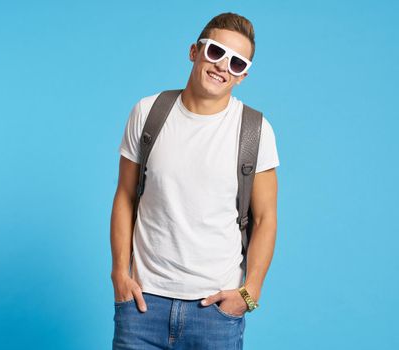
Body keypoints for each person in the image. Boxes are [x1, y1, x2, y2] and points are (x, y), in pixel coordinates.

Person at [110, 12, 280, 350]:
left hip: (215, 311)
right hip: (143, 303)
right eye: (216, 52)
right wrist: (119, 274)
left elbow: (265, 218)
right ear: (194, 51)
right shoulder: (148, 112)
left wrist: (251, 292)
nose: (222, 66)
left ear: (242, 75)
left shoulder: (255, 131)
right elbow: (126, 196)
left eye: (236, 62)